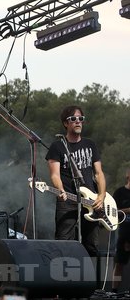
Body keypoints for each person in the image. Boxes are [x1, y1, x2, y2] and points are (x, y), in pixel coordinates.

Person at [45, 105, 106, 257]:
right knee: (64, 243)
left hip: (91, 201)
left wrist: (101, 196)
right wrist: (60, 190)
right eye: (73, 119)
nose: (78, 122)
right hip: (67, 200)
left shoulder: (90, 144)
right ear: (66, 123)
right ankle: (64, 278)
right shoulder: (57, 146)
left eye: (80, 119)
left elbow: (99, 173)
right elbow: (55, 175)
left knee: (91, 245)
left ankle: (91, 280)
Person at [112, 169, 130, 292]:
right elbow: (113, 212)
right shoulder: (120, 192)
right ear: (128, 175)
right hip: (124, 234)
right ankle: (114, 291)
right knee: (119, 264)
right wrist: (128, 210)